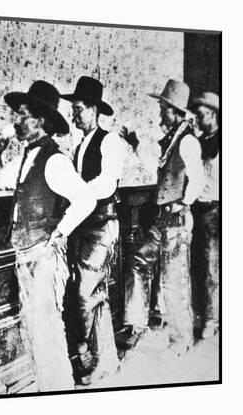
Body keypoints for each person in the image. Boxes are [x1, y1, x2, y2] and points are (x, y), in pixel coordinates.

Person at [3, 80, 96, 391]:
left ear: (40, 120)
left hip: (43, 258)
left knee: (46, 336)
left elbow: (86, 199)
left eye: (21, 114)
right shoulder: (29, 156)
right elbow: (5, 182)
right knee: (34, 332)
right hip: (26, 255)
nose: (16, 120)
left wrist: (60, 232)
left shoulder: (54, 160)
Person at [121, 79, 204, 355]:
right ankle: (137, 325)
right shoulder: (172, 141)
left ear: (175, 111)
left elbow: (198, 179)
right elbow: (158, 171)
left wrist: (183, 203)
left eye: (163, 108)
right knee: (137, 261)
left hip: (176, 219)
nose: (159, 114)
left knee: (174, 280)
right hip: (161, 219)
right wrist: (135, 145)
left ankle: (181, 340)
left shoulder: (188, 140)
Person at [59, 75, 126, 384]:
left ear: (95, 109)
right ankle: (105, 362)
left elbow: (107, 182)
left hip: (101, 226)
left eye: (79, 108)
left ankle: (86, 355)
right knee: (93, 293)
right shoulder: (79, 143)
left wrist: (79, 191)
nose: (74, 114)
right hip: (84, 226)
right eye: (73, 109)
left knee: (86, 293)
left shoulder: (110, 140)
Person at [188, 92, 220, 339]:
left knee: (211, 266)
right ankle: (202, 315)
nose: (197, 121)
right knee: (199, 264)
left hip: (215, 208)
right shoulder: (197, 142)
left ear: (213, 114)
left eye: (201, 116)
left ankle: (212, 319)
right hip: (198, 209)